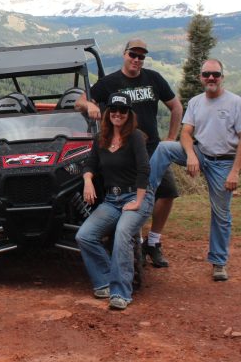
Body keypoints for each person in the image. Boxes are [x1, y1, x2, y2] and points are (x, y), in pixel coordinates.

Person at [75, 38, 183, 268]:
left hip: (152, 148)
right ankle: (136, 239)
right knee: (128, 193)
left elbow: (176, 106)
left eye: (141, 56)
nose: (136, 60)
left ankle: (153, 242)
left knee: (167, 192)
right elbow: (79, 102)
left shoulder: (153, 78)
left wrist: (171, 139)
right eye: (133, 55)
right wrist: (90, 105)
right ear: (124, 54)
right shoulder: (109, 82)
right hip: (122, 150)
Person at [149, 59, 241, 282]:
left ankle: (219, 262)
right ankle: (146, 194)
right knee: (164, 148)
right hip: (200, 153)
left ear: (222, 77)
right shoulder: (196, 102)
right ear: (201, 77)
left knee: (221, 214)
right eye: (207, 74)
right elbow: (187, 133)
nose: (211, 78)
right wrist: (191, 155)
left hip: (224, 162)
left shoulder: (235, 102)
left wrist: (235, 172)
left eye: (215, 74)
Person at [75, 92, 154, 310]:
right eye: (114, 110)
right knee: (84, 235)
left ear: (129, 114)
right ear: (108, 112)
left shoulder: (136, 137)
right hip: (112, 199)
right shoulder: (101, 138)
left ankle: (121, 293)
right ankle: (106, 281)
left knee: (122, 233)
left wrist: (138, 201)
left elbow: (144, 169)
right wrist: (88, 180)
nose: (118, 114)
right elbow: (90, 165)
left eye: (123, 111)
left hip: (137, 195)